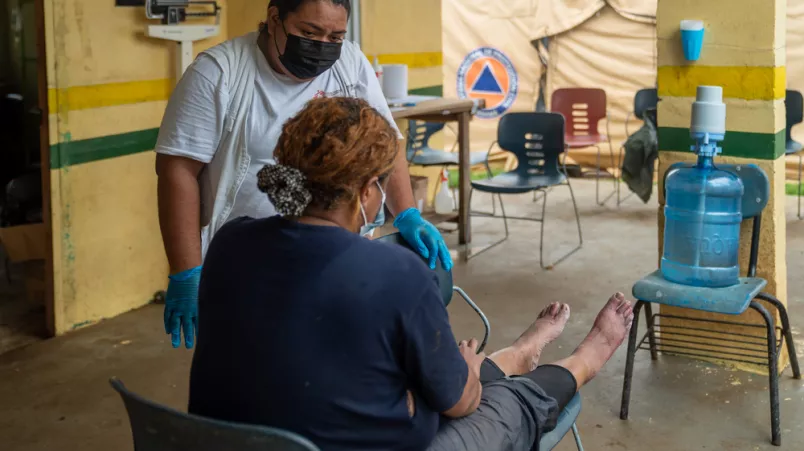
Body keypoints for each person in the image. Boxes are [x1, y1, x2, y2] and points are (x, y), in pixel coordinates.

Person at [189, 97, 635, 451]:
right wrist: (460, 382)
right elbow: (462, 403)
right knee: (503, 400)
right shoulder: (396, 272)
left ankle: (517, 353)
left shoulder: (230, 242)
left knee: (437, 376)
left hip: (232, 443)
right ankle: (584, 360)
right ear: (368, 191)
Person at [154, 0, 452, 349]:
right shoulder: (219, 73)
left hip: (337, 258)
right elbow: (178, 171)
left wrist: (407, 212)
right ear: (274, 17)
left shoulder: (350, 63)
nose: (323, 46)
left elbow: (387, 140)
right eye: (309, 33)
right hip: (250, 265)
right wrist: (186, 271)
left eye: (335, 37)